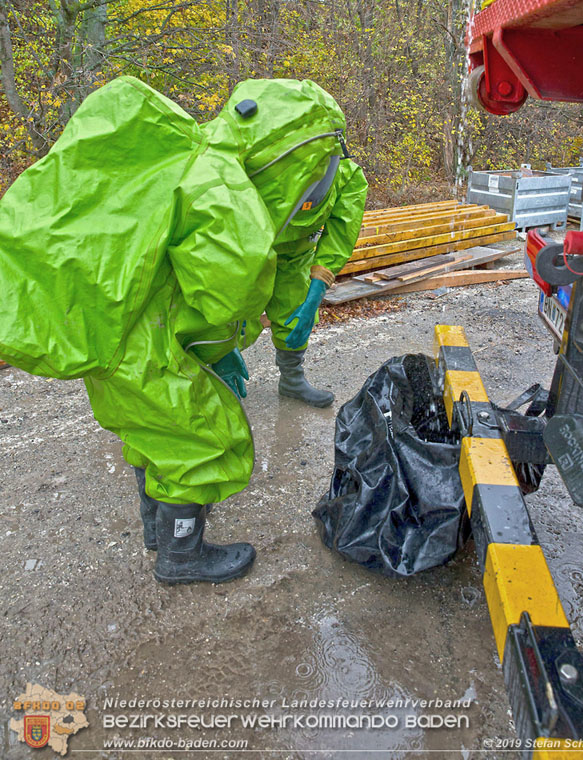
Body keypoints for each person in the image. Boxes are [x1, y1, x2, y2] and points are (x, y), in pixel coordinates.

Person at [0, 75, 357, 586]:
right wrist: (235, 330)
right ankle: (182, 556)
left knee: (152, 436)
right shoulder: (221, 186)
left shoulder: (183, 157)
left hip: (118, 335)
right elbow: (228, 290)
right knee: (198, 439)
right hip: (154, 346)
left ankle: (158, 531)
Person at [266, 140, 368, 407]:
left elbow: (339, 237)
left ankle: (291, 380)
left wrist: (316, 292)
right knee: (223, 307)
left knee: (295, 308)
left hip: (296, 252)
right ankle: (212, 371)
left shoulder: (347, 178)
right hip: (246, 246)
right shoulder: (258, 163)